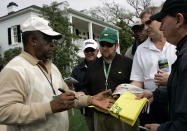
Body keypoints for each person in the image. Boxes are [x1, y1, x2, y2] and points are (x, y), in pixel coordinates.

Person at [0, 16, 114, 131]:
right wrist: (50, 107)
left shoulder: (53, 67)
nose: (52, 44)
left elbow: (68, 95)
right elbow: (3, 111)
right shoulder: (15, 69)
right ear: (32, 40)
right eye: (48, 39)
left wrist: (91, 99)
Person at [137, 0, 187, 130]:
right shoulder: (182, 51)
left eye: (163, 21)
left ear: (179, 20)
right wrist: (155, 94)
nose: (160, 27)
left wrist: (161, 129)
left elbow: (184, 123)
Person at [130, 7, 177, 125]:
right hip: (150, 103)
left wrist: (170, 80)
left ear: (160, 19)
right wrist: (125, 90)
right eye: (143, 25)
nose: (145, 28)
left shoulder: (177, 43)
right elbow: (138, 81)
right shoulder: (140, 50)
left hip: (176, 102)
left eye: (148, 23)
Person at [85, 29, 138, 131]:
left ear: (116, 46)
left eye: (109, 45)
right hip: (99, 115)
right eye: (102, 44)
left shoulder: (127, 63)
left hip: (122, 114)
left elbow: (135, 86)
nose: (105, 48)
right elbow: (86, 87)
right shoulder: (92, 66)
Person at [71, 39, 99, 131]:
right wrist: (71, 88)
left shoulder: (104, 64)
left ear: (97, 51)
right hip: (87, 109)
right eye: (87, 50)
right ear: (84, 52)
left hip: (103, 107)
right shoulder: (77, 69)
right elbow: (73, 87)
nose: (90, 52)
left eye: (92, 50)